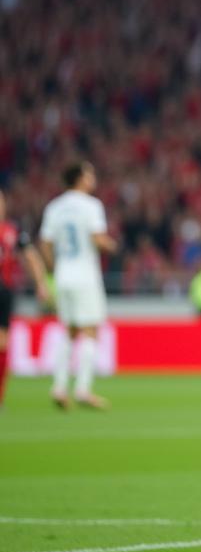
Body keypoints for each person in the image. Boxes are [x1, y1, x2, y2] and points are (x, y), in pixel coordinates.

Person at [39, 162, 118, 410]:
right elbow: (97, 239)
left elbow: (45, 244)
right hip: (85, 274)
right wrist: (111, 245)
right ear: (80, 179)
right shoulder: (91, 206)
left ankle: (59, 387)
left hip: (63, 275)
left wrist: (54, 268)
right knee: (91, 329)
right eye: (89, 174)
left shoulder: (55, 207)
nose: (93, 178)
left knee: (70, 330)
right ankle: (83, 389)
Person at [0, 189, 50, 408]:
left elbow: (31, 257)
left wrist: (40, 284)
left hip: (3, 290)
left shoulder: (12, 231)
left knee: (2, 343)